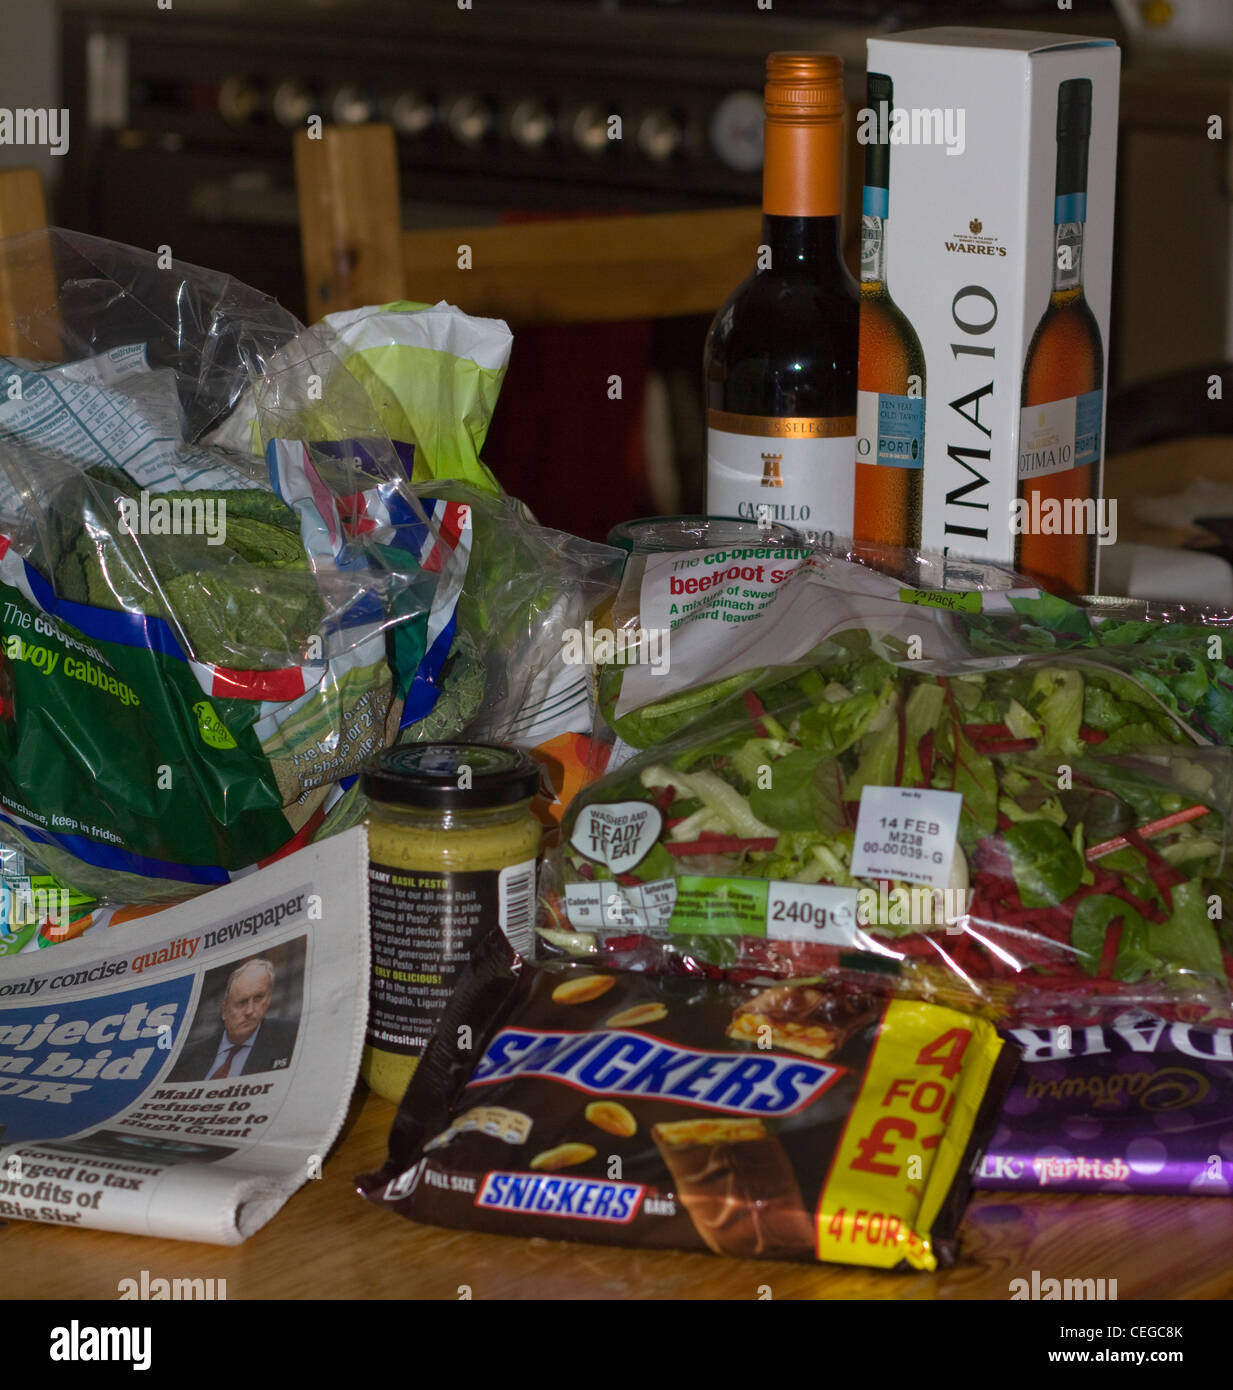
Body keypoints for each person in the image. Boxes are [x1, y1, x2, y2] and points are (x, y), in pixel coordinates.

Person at [168, 958, 297, 1082]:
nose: (250, 1011)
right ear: (224, 1011)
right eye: (241, 1003)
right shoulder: (187, 1057)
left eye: (258, 998)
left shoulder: (291, 1038)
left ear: (268, 1000)